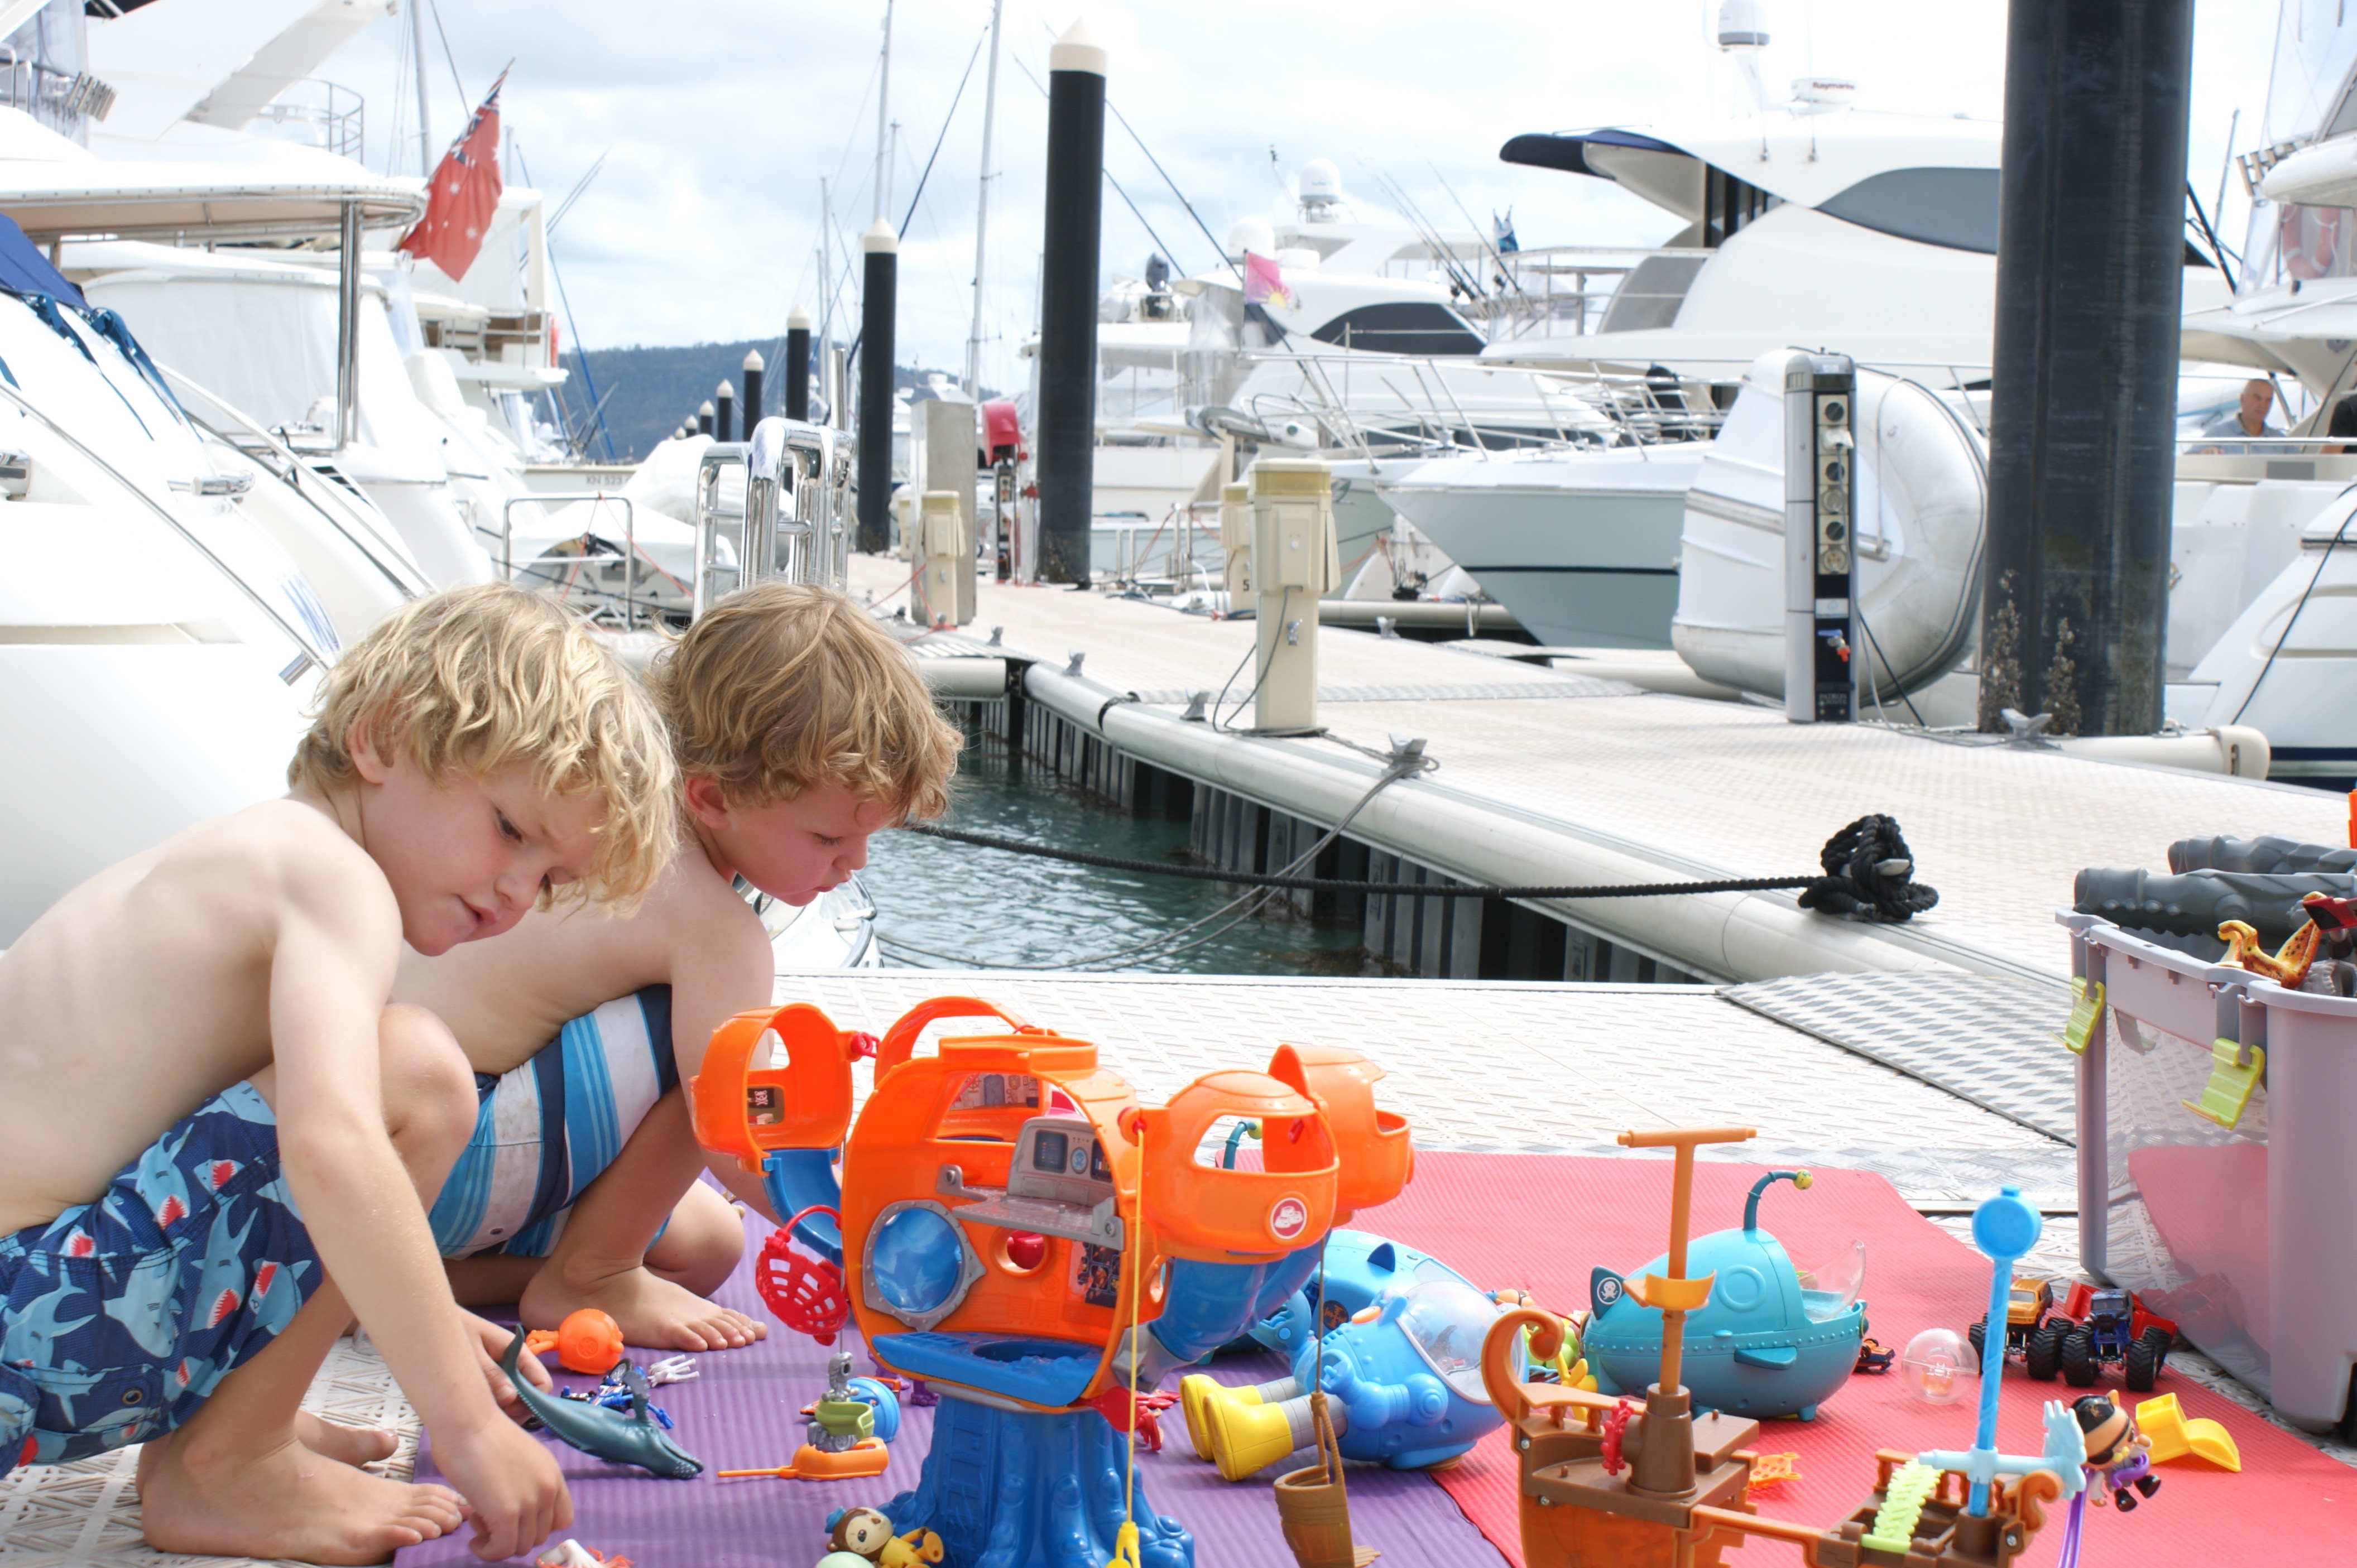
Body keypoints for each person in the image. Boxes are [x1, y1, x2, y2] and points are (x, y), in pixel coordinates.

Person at [0, 584, 676, 1565]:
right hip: (30, 1320)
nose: (513, 892)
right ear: (382, 738)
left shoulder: (254, 850)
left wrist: (422, 1310)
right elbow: (331, 1149)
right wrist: (463, 1416)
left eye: (549, 880)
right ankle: (230, 1462)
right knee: (416, 1076)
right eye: (510, 829)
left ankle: (236, 1427)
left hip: (30, 1311)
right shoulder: (336, 881)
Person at [399, 583, 960, 1353]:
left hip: (407, 1155)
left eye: (868, 840)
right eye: (829, 839)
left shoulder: (602, 816)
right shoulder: (713, 927)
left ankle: (398, 1282)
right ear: (712, 797)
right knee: (717, 1067)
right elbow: (734, 1135)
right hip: (452, 1151)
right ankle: (591, 1274)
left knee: (707, 1245)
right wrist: (867, 1242)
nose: (853, 863)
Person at [2195, 378, 2283, 454]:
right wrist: (2203, 454)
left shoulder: (2281, 442)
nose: (2263, 405)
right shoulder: (2218, 434)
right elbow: (2189, 460)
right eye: (2258, 398)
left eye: (2268, 400)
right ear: (2242, 399)